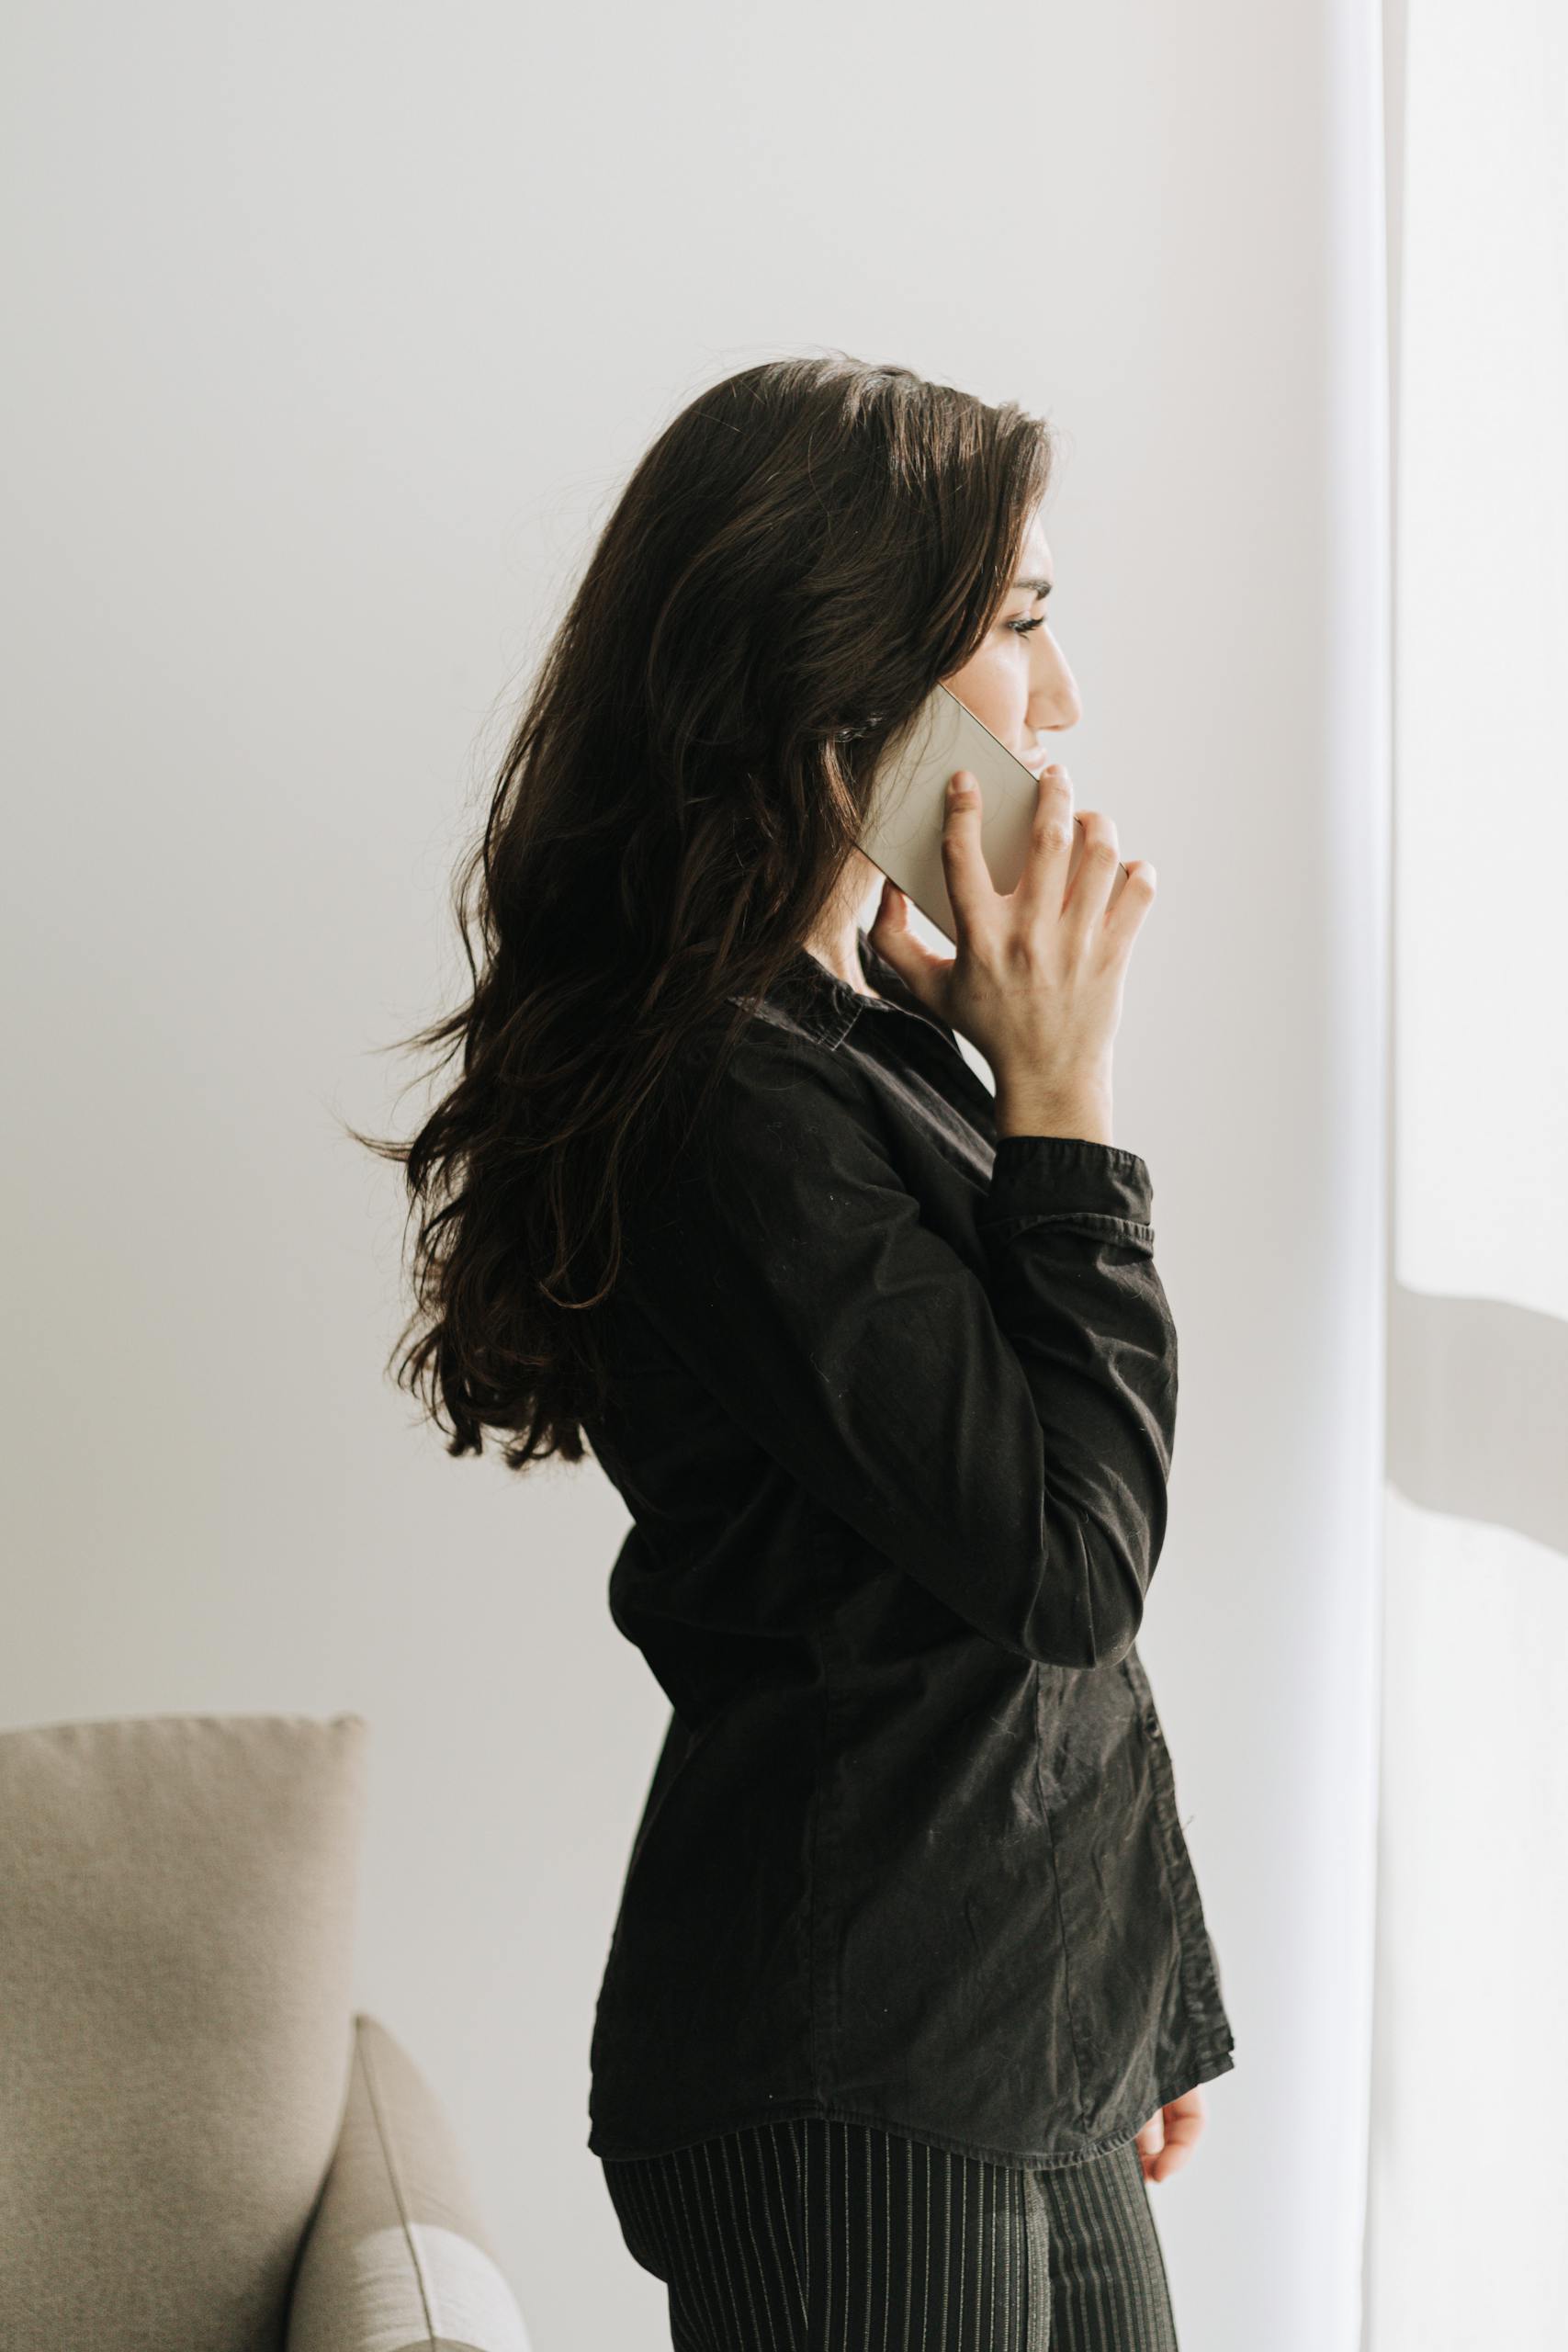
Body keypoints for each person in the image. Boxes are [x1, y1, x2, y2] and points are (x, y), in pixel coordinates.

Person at [358, 352, 1235, 2349]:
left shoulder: (850, 1049)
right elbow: (1064, 1553)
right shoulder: (726, 1103)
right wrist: (1066, 1094)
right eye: (1016, 622)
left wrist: (1138, 1978)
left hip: (1016, 2027)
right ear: (846, 665)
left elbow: (1027, 1624)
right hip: (856, 2070)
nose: (1060, 694)